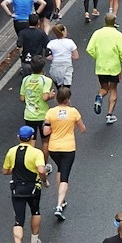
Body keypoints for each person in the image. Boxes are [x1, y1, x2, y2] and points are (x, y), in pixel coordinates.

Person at [3, 127, 48, 243]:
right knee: (35, 212)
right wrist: (44, 180)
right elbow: (41, 170)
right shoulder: (36, 153)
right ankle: (34, 241)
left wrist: (14, 170)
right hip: (33, 188)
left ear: (18, 137)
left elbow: (5, 171)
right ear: (32, 137)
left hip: (17, 189)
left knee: (18, 220)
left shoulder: (11, 151)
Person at [42, 86, 84, 220]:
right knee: (65, 176)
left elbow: (45, 132)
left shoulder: (50, 113)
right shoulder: (74, 112)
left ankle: (62, 199)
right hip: (68, 148)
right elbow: (82, 128)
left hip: (54, 148)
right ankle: (59, 205)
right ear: (68, 99)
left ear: (56, 98)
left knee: (60, 170)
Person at [86, 15, 122, 123]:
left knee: (104, 87)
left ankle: (99, 96)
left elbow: (89, 49)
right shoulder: (118, 35)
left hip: (101, 66)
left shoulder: (97, 33)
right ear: (114, 22)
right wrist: (121, 60)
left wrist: (98, 57)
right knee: (113, 89)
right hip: (114, 67)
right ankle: (109, 114)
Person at [21, 56, 56, 148]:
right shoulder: (46, 80)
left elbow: (22, 98)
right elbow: (45, 97)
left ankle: (31, 160)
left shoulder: (26, 80)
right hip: (43, 115)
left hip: (29, 115)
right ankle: (43, 162)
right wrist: (51, 96)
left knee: (31, 141)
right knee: (45, 141)